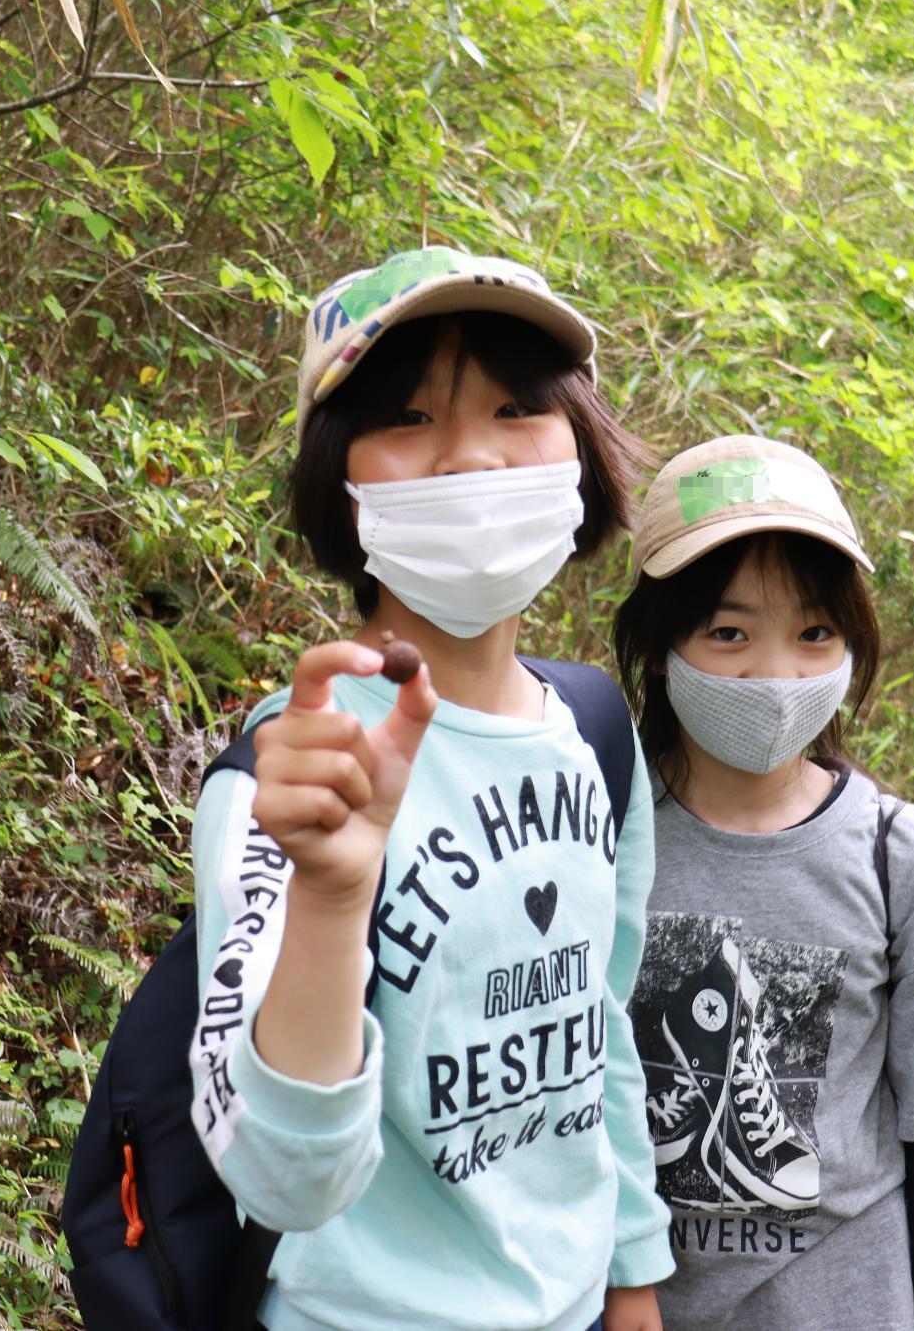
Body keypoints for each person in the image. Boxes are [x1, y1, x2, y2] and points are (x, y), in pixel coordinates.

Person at [189, 247, 673, 1331]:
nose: (469, 460)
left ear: (578, 449)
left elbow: (601, 1024)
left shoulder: (594, 730)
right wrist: (327, 893)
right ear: (340, 473)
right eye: (407, 419)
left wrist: (631, 1280)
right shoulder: (295, 773)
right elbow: (280, 1182)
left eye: (513, 408)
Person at [611, 436, 914, 1330]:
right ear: (659, 646)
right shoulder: (602, 835)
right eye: (729, 633)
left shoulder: (904, 858)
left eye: (815, 634)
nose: (776, 676)